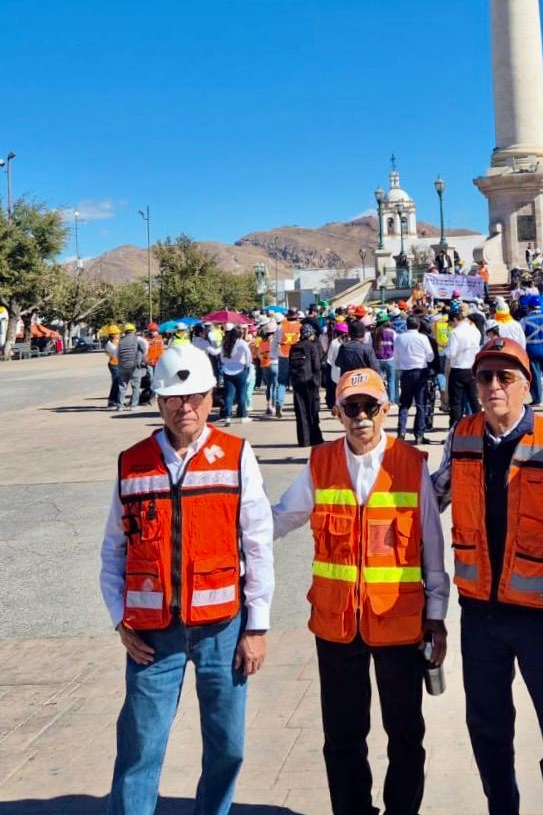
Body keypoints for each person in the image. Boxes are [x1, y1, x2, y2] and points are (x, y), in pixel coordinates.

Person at [100, 343, 274, 815]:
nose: (186, 406)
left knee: (228, 746)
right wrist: (120, 620)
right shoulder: (132, 463)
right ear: (157, 402)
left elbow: (258, 544)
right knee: (140, 747)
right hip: (153, 635)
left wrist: (256, 628)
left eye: (196, 396)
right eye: (174, 398)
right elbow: (113, 551)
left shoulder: (236, 455)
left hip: (223, 629)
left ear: (212, 396)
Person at [432, 337, 543, 815]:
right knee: (487, 727)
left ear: (527, 384)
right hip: (480, 616)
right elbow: (429, 500)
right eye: (485, 376)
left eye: (506, 377)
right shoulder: (461, 436)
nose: (493, 386)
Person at [273, 368, 448, 815]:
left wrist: (437, 615)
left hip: (399, 622)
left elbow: (431, 543)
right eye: (351, 408)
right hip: (336, 626)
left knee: (406, 732)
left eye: (370, 407)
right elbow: (281, 518)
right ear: (337, 413)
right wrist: (231, 533)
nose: (361, 417)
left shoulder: (411, 464)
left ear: (386, 410)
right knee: (343, 736)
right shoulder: (321, 463)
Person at [394, 316, 435, 443]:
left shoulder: (400, 338)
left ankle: (401, 432)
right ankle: (419, 434)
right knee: (421, 404)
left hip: (406, 372)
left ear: (406, 325)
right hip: (420, 371)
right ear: (418, 326)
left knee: (404, 404)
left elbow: (396, 357)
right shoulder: (423, 338)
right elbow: (430, 356)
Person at [445, 304, 482, 428]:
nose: (450, 325)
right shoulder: (474, 329)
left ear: (455, 320)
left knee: (456, 403)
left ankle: (455, 428)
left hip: (458, 369)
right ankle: (480, 426)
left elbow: (451, 353)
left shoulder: (455, 332)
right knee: (474, 400)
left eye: (450, 323)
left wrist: (445, 349)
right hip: (472, 368)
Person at [289, 322, 324, 446]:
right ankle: (315, 438)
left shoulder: (294, 347)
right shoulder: (311, 346)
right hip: (310, 382)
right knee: (312, 410)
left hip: (297, 383)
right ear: (310, 334)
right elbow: (316, 365)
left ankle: (304, 440)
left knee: (301, 411)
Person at [521, 295, 543, 405]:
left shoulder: (524, 320)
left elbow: (522, 334)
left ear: (530, 307)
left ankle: (538, 399)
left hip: (532, 350)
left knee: (535, 375)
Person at [219, 324, 253, 425]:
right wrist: (247, 365)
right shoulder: (241, 343)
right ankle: (243, 416)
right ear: (239, 334)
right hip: (240, 370)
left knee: (229, 395)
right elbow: (248, 355)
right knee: (242, 394)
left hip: (227, 371)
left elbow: (222, 357)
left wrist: (226, 364)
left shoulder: (224, 342)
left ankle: (227, 417)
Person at [274, 309, 303, 419]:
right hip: (297, 356)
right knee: (297, 382)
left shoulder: (280, 326)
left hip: (283, 355)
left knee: (282, 382)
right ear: (296, 316)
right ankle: (298, 406)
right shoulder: (301, 326)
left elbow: (276, 341)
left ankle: (279, 403)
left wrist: (273, 355)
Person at [115, 323, 148, 411]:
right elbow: (145, 347)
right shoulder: (138, 339)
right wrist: (143, 358)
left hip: (122, 366)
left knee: (122, 386)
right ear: (134, 331)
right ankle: (133, 405)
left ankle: (120, 406)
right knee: (135, 386)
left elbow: (116, 353)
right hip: (134, 366)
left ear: (125, 332)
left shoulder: (120, 341)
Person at [373, 311, 398, 401]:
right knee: (391, 380)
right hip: (390, 359)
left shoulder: (373, 333)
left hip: (377, 360)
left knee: (379, 381)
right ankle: (391, 401)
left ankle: (380, 398)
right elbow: (396, 345)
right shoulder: (392, 332)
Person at [105, 326, 121, 408]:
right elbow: (116, 353)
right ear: (113, 335)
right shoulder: (110, 344)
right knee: (117, 382)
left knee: (116, 383)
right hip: (114, 365)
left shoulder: (118, 341)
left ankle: (113, 400)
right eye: (117, 333)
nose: (119, 334)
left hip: (119, 364)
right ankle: (114, 401)